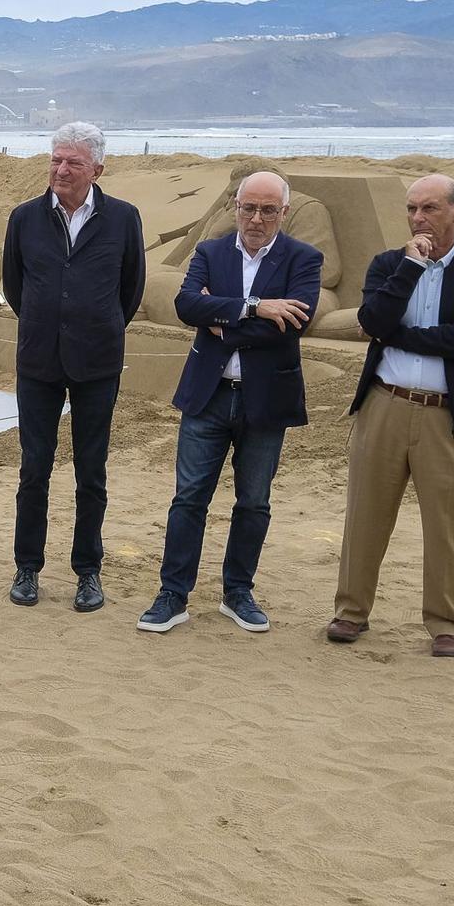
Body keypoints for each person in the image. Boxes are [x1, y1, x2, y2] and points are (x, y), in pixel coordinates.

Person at [330, 174, 454, 658]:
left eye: (429, 208)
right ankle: (351, 612)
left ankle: (450, 625)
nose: (418, 218)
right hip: (384, 406)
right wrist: (410, 269)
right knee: (365, 516)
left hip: (447, 416)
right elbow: (371, 322)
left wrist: (399, 336)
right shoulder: (390, 264)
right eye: (411, 209)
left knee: (450, 526)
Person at [140, 171, 323, 635]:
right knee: (188, 499)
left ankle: (237, 592)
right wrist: (256, 307)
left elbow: (295, 322)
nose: (256, 218)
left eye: (267, 210)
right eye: (248, 208)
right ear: (235, 208)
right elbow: (186, 306)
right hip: (209, 394)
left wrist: (220, 315)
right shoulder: (210, 252)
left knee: (254, 502)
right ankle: (173, 594)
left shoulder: (304, 258)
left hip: (266, 399)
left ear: (284, 213)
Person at [0, 122, 146, 613]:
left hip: (98, 363)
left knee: (91, 472)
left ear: (97, 170)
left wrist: (96, 325)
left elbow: (131, 290)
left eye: (73, 163)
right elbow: (15, 287)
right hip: (38, 361)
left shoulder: (124, 219)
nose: (61, 170)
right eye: (56, 160)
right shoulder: (23, 218)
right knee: (33, 469)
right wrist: (50, 324)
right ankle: (27, 566)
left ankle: (88, 571)